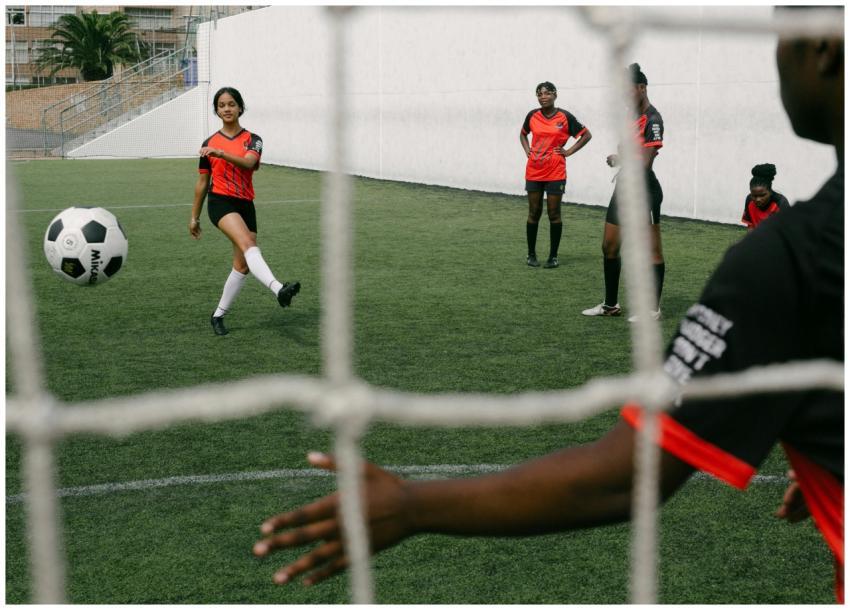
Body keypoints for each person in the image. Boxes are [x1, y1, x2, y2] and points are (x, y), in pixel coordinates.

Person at [252, 11, 843, 602]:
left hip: (628, 188)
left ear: (819, 48)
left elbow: (627, 476)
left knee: (636, 241)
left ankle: (639, 303)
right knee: (607, 242)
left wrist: (410, 505)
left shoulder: (790, 258)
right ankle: (612, 302)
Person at [190, 86, 300, 336]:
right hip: (220, 203)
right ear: (216, 111)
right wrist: (194, 217)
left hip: (245, 205)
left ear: (240, 107)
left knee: (242, 266)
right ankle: (278, 289)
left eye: (231, 104)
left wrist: (222, 153)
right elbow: (202, 183)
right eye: (221, 105)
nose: (226, 109)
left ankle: (218, 316)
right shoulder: (208, 144)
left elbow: (249, 163)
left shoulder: (253, 139)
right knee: (248, 242)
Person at [581, 63, 665, 321]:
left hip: (644, 190)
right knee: (609, 245)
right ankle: (610, 305)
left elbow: (647, 160)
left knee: (650, 249)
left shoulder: (653, 119)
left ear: (642, 88)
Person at [519, 81, 592, 268]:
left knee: (554, 214)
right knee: (534, 213)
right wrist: (527, 150)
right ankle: (531, 254)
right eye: (539, 94)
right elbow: (522, 134)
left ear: (555, 95)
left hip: (555, 172)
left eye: (546, 93)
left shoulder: (565, 117)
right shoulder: (532, 115)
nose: (543, 97)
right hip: (534, 171)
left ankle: (553, 256)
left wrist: (568, 152)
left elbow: (586, 135)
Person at [742, 163, 790, 230]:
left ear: (770, 192)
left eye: (762, 195)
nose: (758, 199)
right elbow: (751, 226)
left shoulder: (781, 203)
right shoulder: (749, 199)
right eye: (754, 196)